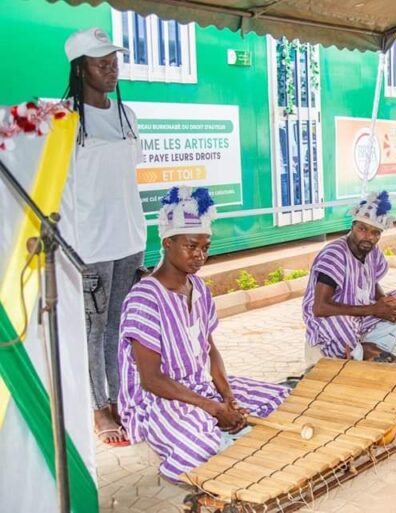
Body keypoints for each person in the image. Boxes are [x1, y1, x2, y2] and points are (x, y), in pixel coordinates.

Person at [117, 186, 289, 481]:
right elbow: (151, 379)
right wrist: (213, 408)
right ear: (168, 242)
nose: (200, 255)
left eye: (206, 247)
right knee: (201, 442)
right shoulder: (144, 298)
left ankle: (234, 440)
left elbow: (210, 350)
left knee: (281, 399)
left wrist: (228, 397)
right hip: (157, 400)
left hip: (200, 388)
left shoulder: (199, 290)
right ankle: (221, 448)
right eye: (192, 246)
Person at [60, 28, 146, 446]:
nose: (111, 68)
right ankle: (99, 409)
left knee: (120, 325)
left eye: (114, 59)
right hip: (90, 245)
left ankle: (121, 397)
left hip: (130, 239)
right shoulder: (64, 120)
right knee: (95, 329)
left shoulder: (127, 116)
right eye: (101, 62)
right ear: (80, 69)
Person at [303, 191, 396, 365]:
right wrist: (373, 309)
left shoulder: (372, 251)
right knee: (342, 330)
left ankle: (366, 349)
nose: (369, 237)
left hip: (362, 317)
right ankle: (369, 352)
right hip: (333, 318)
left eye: (375, 233)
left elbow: (372, 284)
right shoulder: (334, 255)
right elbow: (319, 308)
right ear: (353, 226)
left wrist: (386, 306)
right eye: (363, 229)